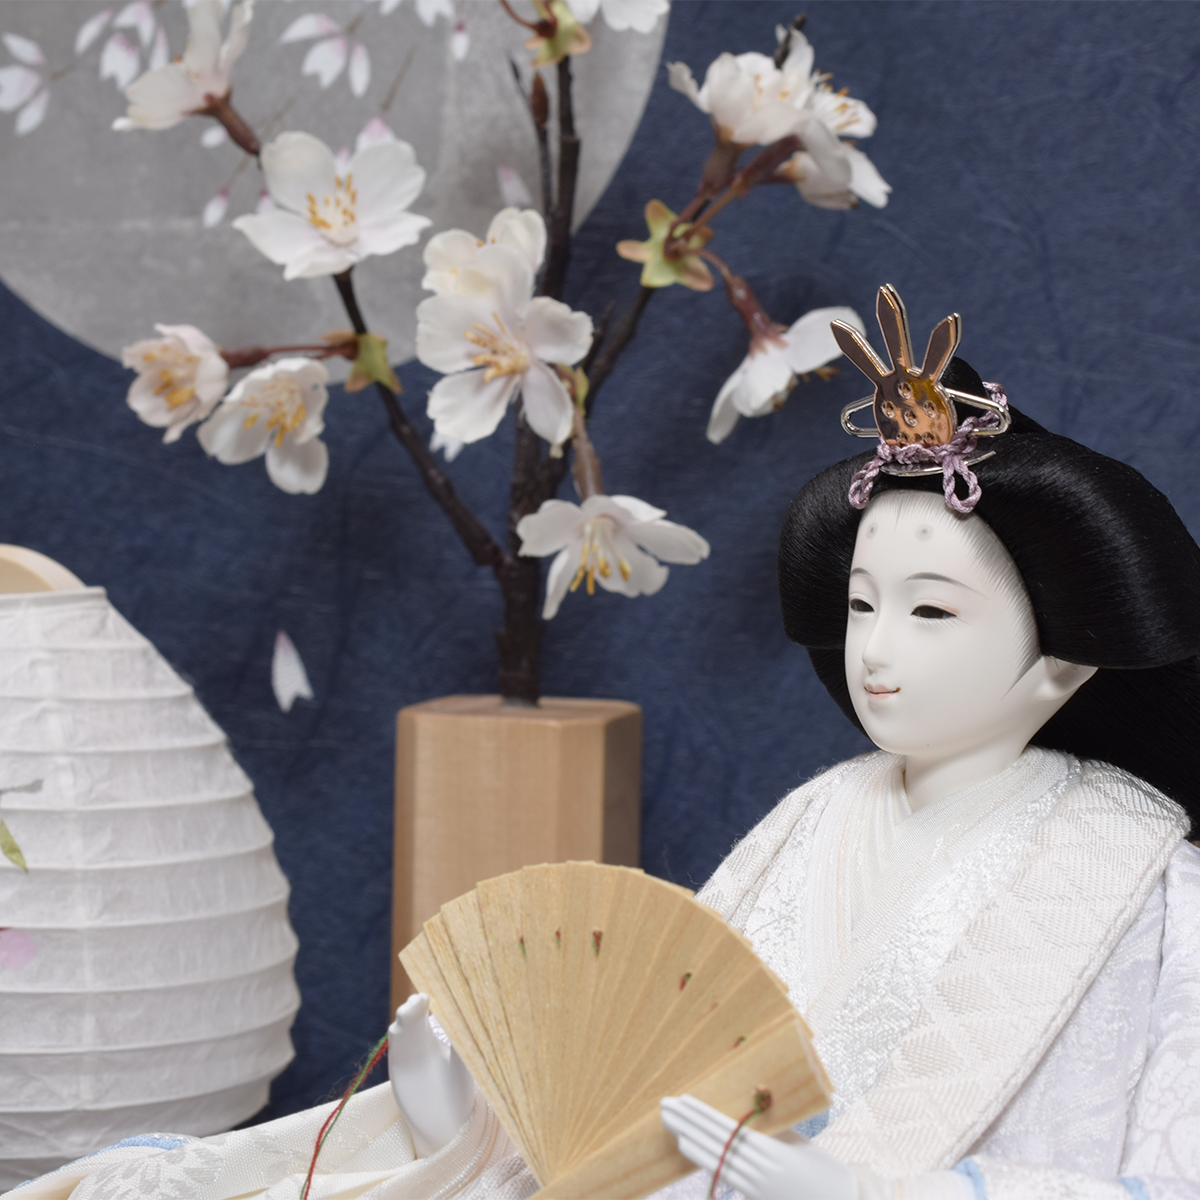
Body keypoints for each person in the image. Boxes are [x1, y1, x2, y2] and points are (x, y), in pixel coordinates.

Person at [16, 290, 1200, 1200]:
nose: (875, 650)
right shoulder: (822, 816)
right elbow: (645, 1082)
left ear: (1064, 657)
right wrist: (476, 1099)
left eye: (932, 611)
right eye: (860, 604)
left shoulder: (1143, 882)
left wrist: (869, 1192)